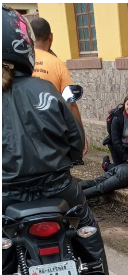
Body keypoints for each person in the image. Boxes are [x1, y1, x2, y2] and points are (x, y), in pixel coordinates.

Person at [2, 6, 108, 274]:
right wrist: (69, 160)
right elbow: (75, 141)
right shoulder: (46, 90)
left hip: (5, 196)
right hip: (59, 188)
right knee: (89, 235)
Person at [30, 17, 88, 157]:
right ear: (51, 37)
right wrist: (81, 136)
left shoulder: (23, 61)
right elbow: (71, 104)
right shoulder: (58, 64)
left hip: (26, 130)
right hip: (52, 131)